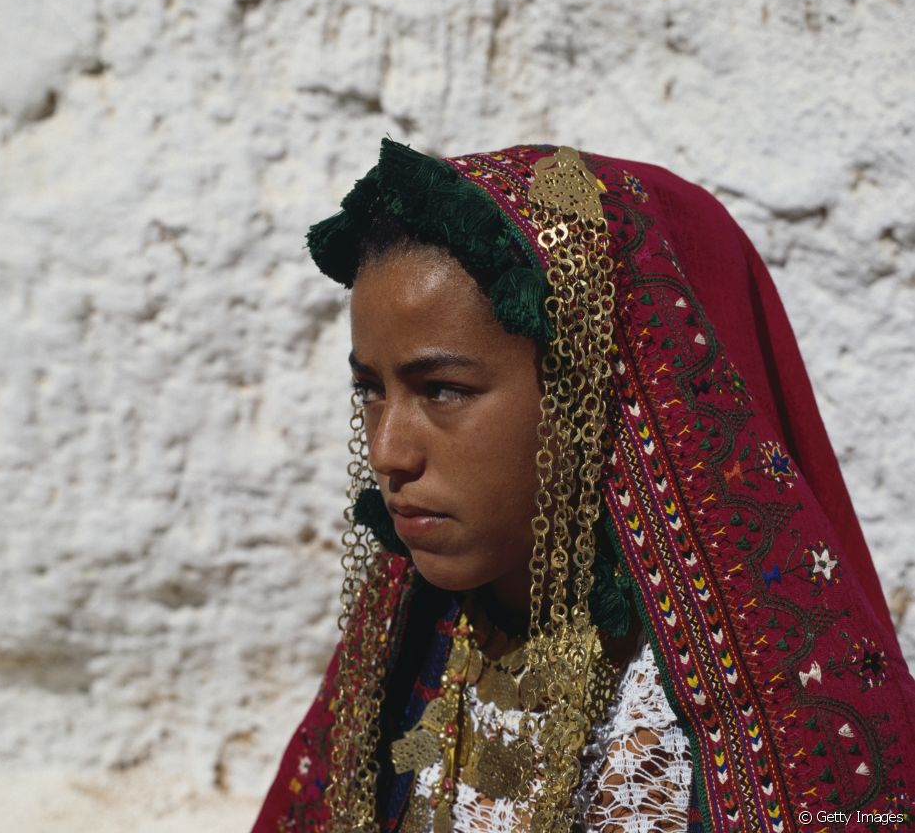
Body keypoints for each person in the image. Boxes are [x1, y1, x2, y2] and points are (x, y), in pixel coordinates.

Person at [252, 139, 915, 833]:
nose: (387, 452)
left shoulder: (785, 732)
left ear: (598, 394)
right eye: (369, 391)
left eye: (443, 389)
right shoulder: (405, 657)